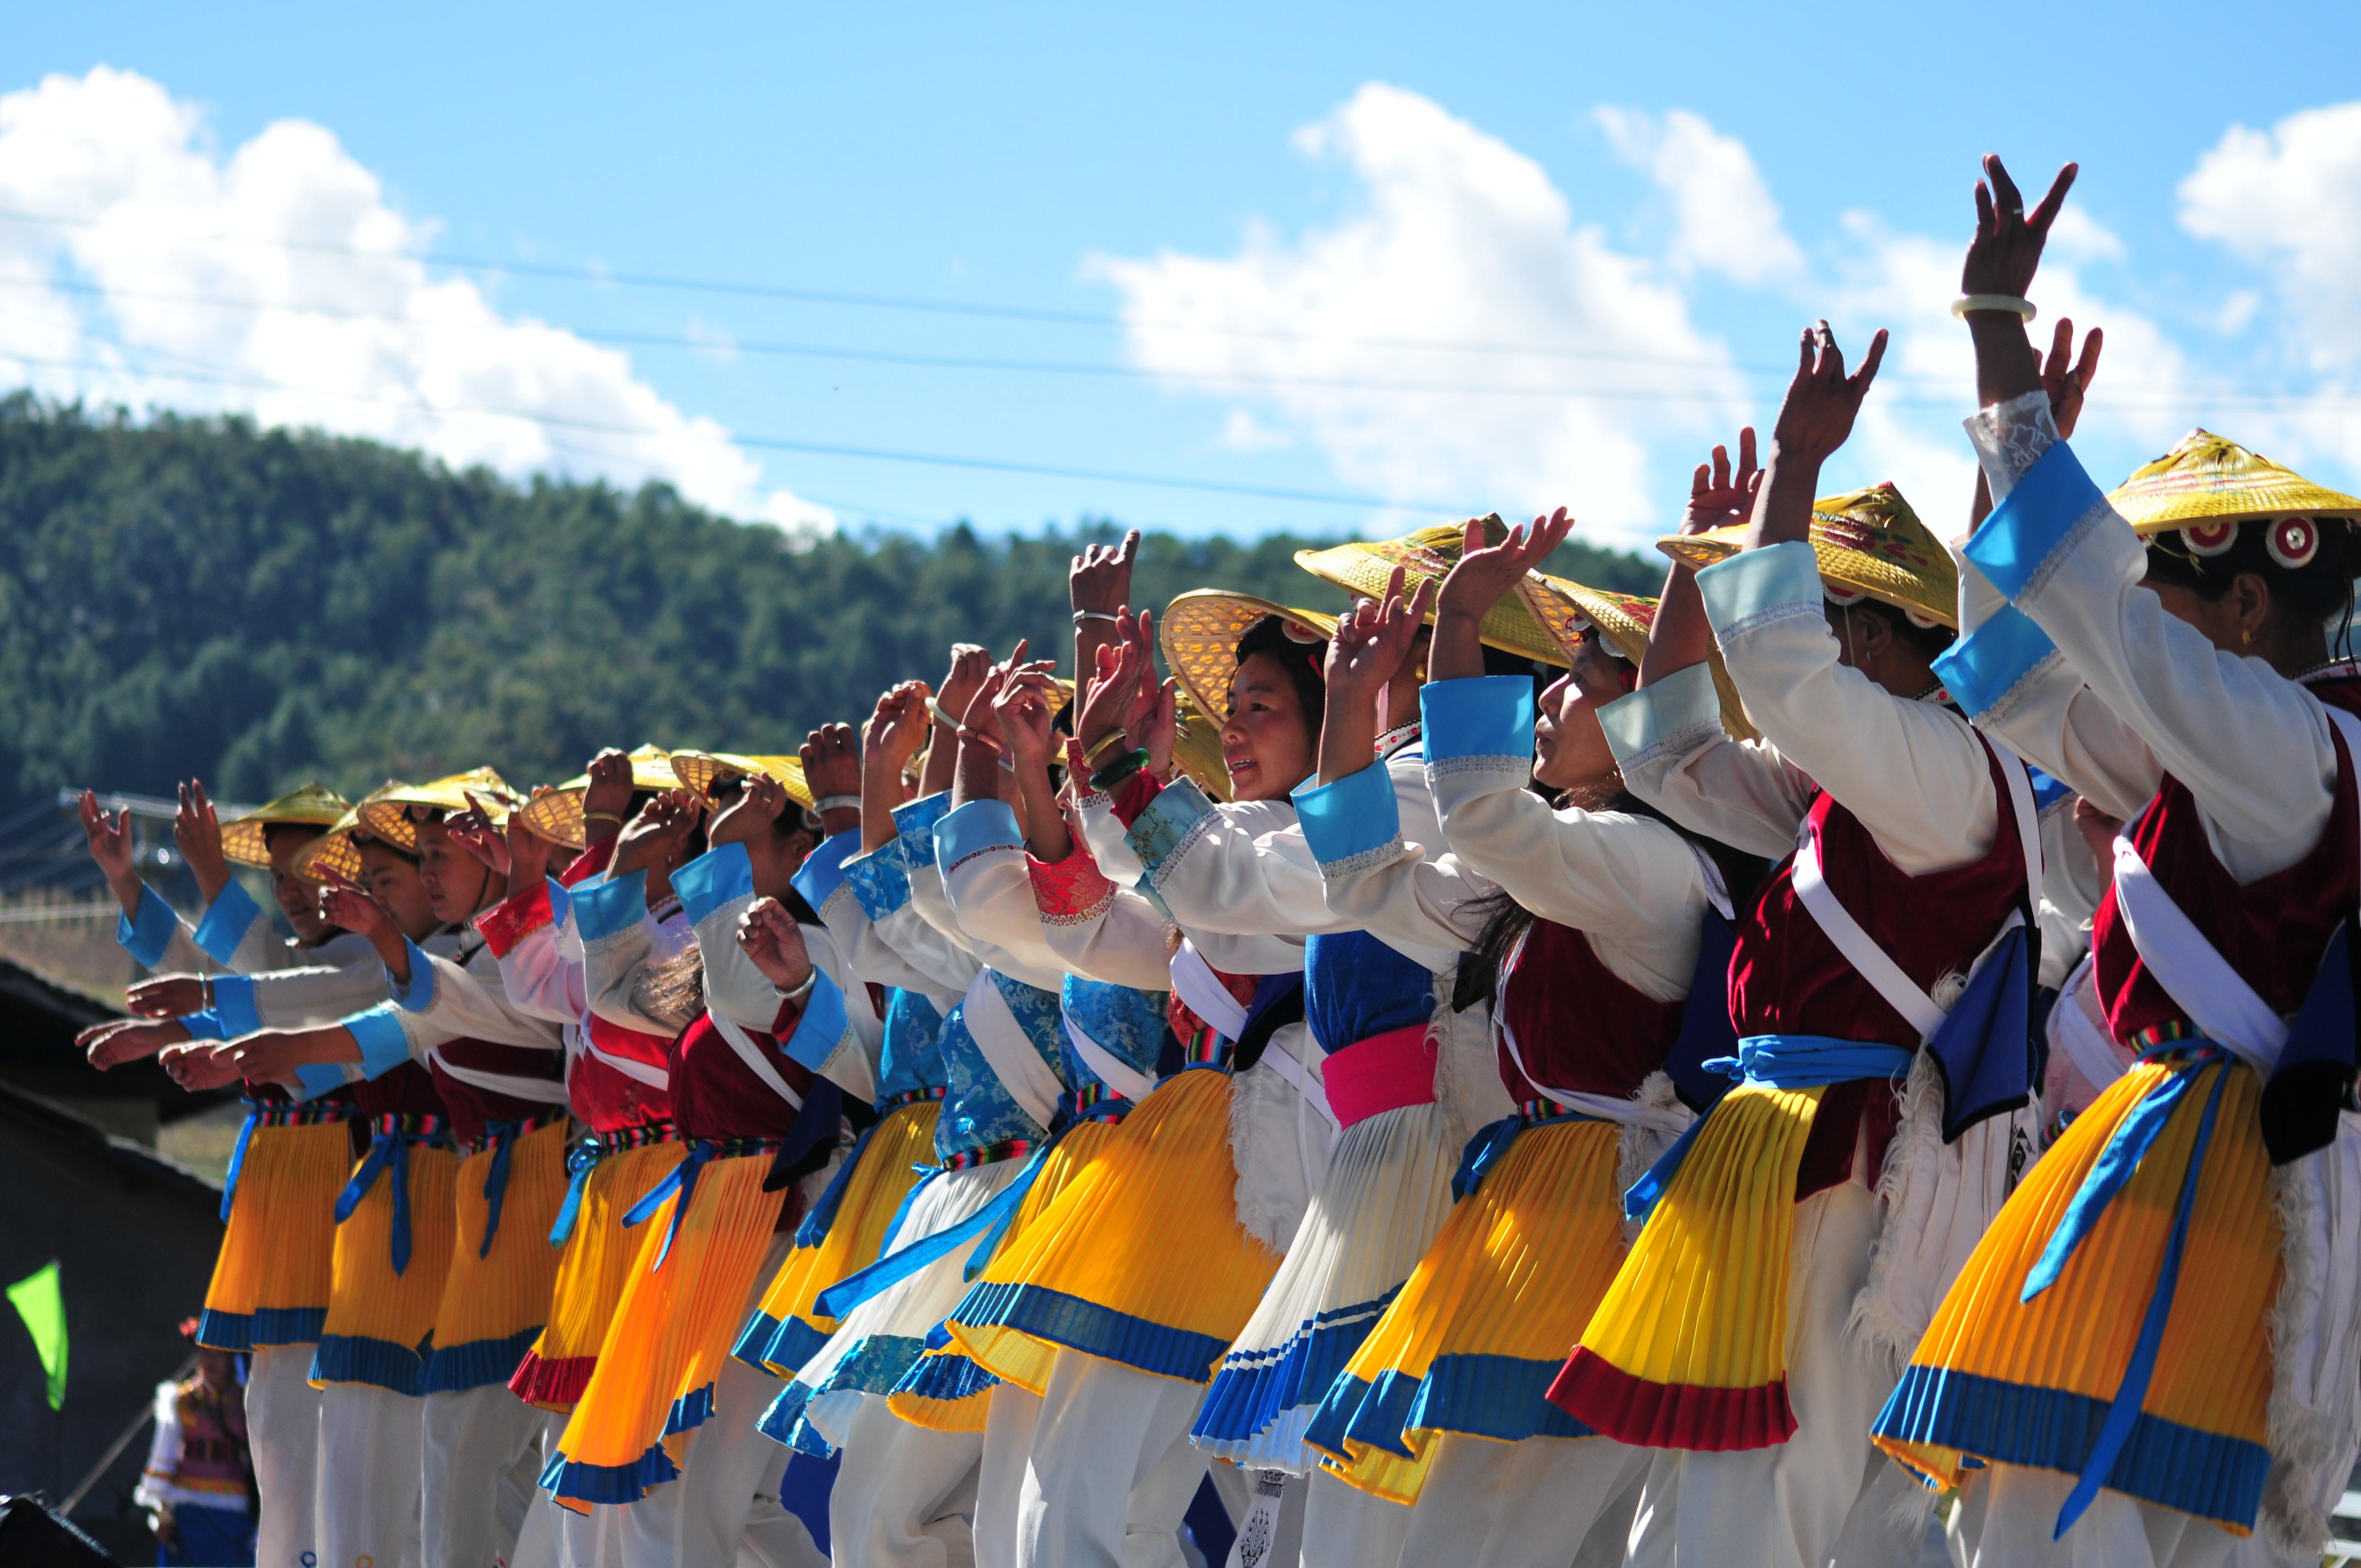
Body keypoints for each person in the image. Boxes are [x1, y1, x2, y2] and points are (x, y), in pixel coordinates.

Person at [1872, 155, 2361, 1568]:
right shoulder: (2251, 754)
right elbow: (2020, 684)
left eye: (2171, 593)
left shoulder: (2278, 743)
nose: (2141, 618)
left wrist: (1993, 332)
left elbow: (2082, 609)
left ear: (2247, 600)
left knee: (2047, 1503)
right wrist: (1997, 469)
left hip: (2198, 1179)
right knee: (2157, 1526)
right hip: (2235, 1182)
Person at [1560, 333, 2040, 1568]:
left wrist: (1794, 461)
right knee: (1741, 1500)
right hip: (1789, 1144)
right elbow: (1663, 755)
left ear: (1886, 647)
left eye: (1838, 628)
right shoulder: (1849, 791)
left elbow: (1773, 674)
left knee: (1771, 1500)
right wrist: (1693, 566)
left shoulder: (1936, 773)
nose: (1820, 653)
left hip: (1844, 1156)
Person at [1293, 517, 1754, 1566]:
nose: (1549, 694)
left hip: (1594, 1221)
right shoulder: (1557, 873)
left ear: (1649, 720)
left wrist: (1459, 620)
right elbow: (1362, 884)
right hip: (1532, 1210)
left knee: (1466, 1537)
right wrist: (1345, 706)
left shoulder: (1641, 860)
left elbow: (1485, 818)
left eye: (1584, 680)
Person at [138, 1327, 257, 1568]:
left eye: (217, 1354)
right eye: (204, 1352)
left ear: (230, 1358)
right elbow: (164, 1455)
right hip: (188, 1517)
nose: (209, 1361)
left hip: (235, 1517)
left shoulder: (248, 1403)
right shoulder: (180, 1400)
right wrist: (163, 1514)